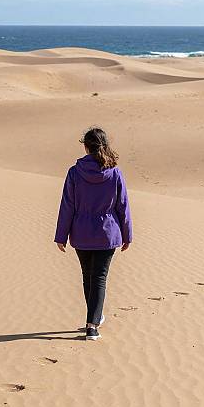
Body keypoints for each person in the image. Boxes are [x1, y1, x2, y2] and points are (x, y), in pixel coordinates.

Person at [54, 126, 132, 341]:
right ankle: (93, 324)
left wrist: (61, 235)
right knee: (98, 278)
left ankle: (94, 319)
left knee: (89, 277)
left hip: (81, 233)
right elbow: (122, 206)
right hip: (107, 233)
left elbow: (67, 205)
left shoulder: (74, 172)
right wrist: (127, 235)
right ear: (104, 146)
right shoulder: (114, 172)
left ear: (86, 147)